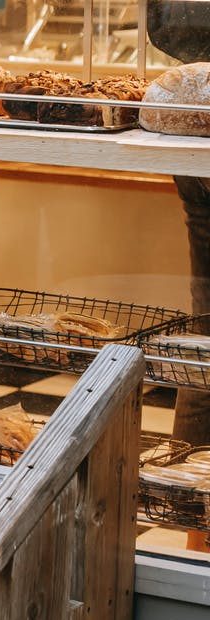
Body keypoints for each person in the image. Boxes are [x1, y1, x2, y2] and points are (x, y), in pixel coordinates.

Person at [146, 1, 210, 446]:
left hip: (191, 115)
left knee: (206, 326)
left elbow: (163, 25)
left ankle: (187, 483)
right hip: (193, 116)